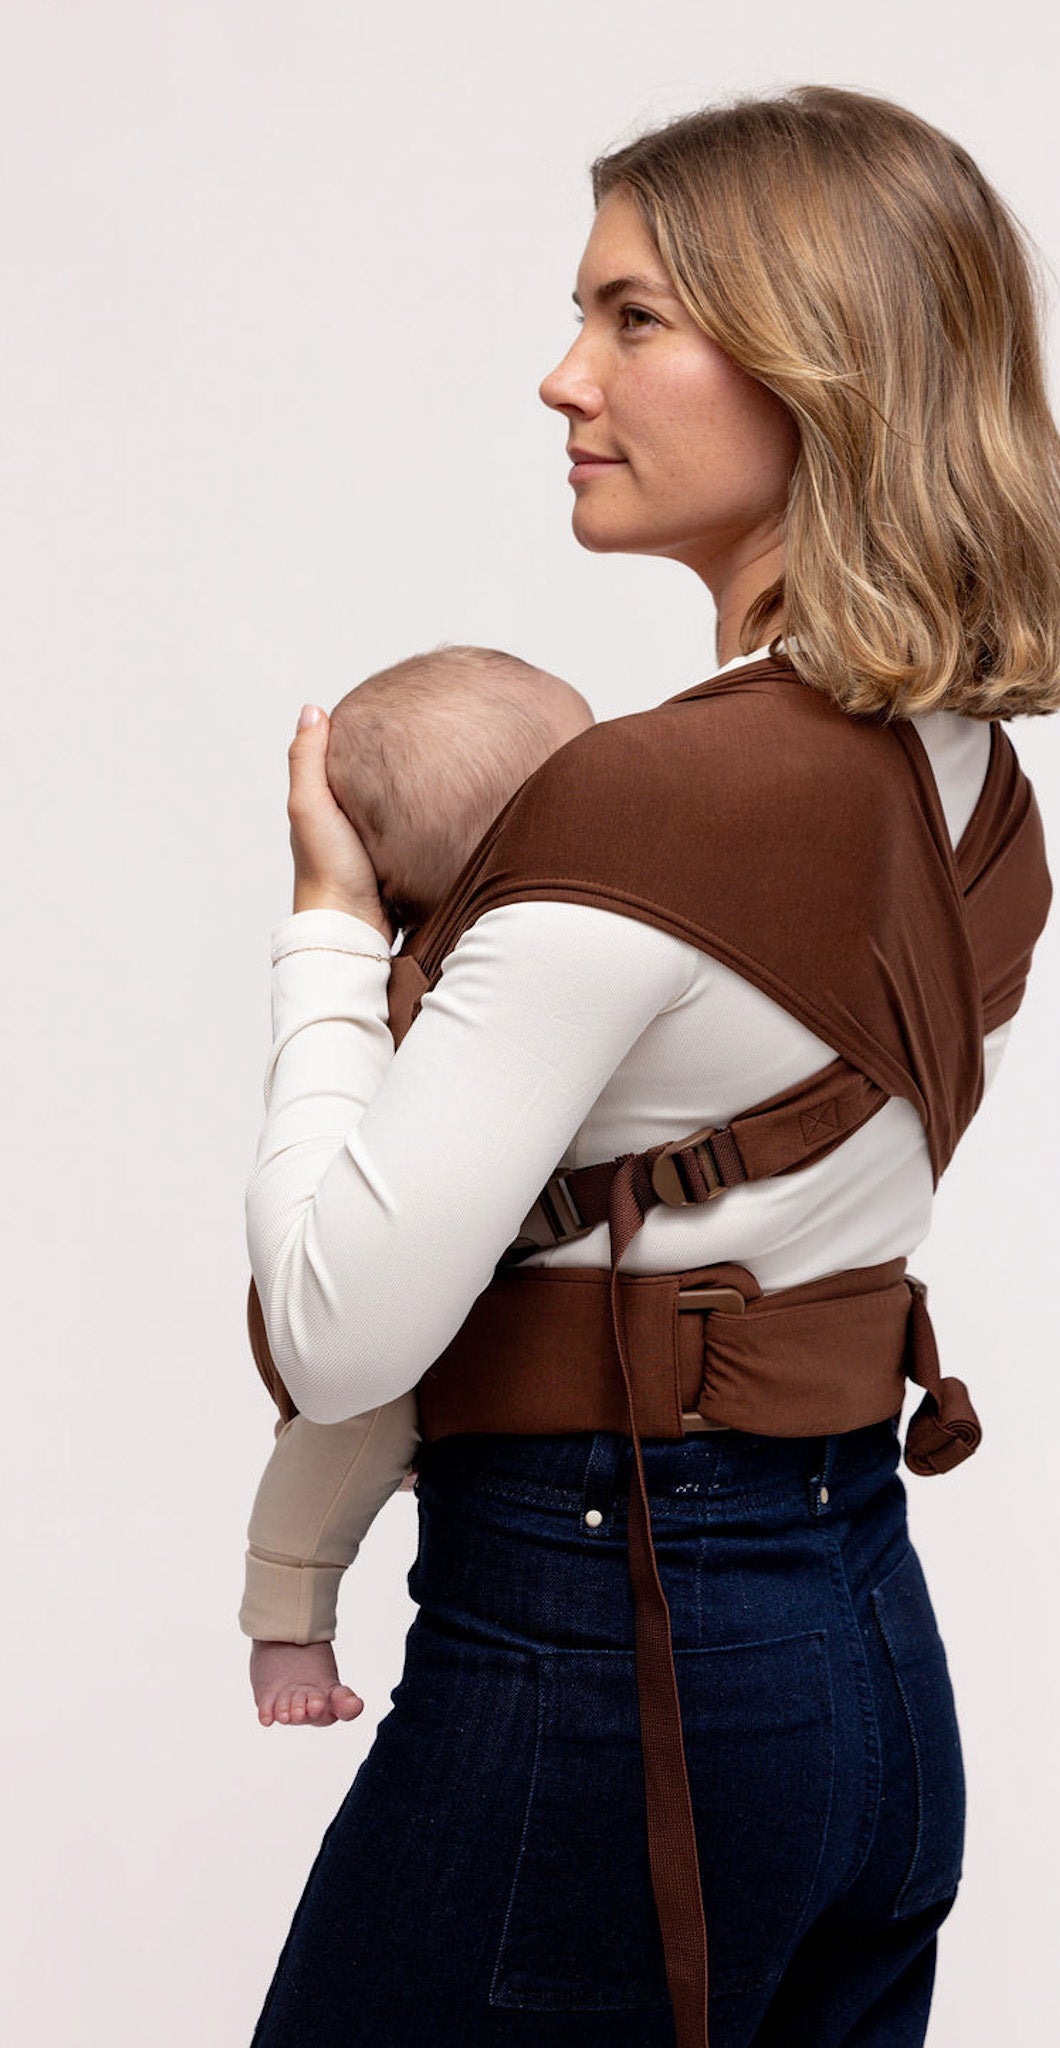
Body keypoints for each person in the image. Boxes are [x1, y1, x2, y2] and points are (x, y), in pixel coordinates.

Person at [244, 85, 1060, 2048]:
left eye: (631, 317)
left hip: (607, 1638)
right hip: (856, 1654)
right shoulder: (975, 789)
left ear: (822, 359)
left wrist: (326, 926)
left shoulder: (636, 799)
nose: (563, 376)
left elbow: (333, 1329)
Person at [240, 641, 595, 1728]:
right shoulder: (431, 991)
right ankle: (286, 1622)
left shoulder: (585, 948)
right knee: (349, 1422)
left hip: (525, 1325)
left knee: (354, 1417)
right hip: (404, 1305)